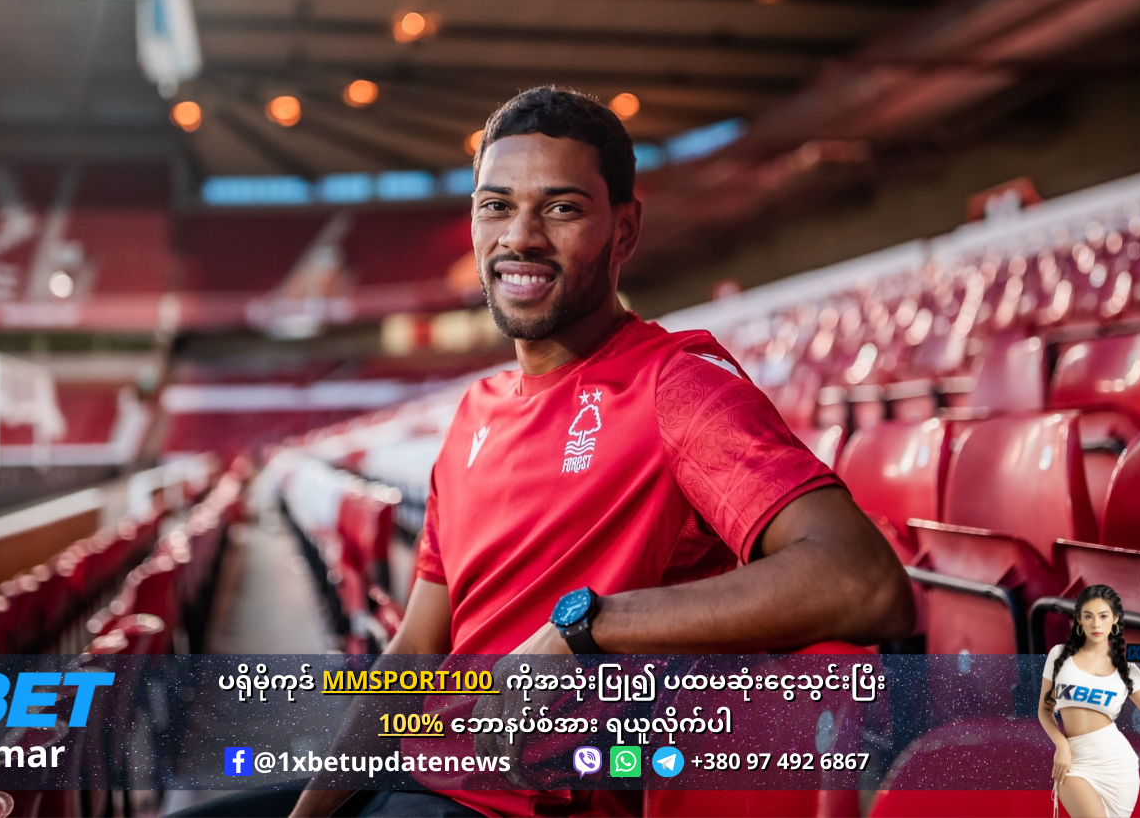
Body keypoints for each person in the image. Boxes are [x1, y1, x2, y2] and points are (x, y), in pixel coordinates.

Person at [277, 86, 914, 817]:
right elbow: (418, 651)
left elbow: (866, 584)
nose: (521, 236)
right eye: (496, 205)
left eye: (561, 207)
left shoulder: (674, 386)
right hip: (418, 777)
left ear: (625, 230)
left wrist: (586, 629)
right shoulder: (472, 412)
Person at [1038, 584, 1140, 818]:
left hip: (1118, 766)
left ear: (1115, 620)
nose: (1096, 624)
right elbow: (1044, 710)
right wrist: (1061, 744)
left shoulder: (1126, 669)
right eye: (1088, 616)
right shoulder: (1058, 655)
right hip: (1073, 761)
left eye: (1103, 616)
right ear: (1078, 620)